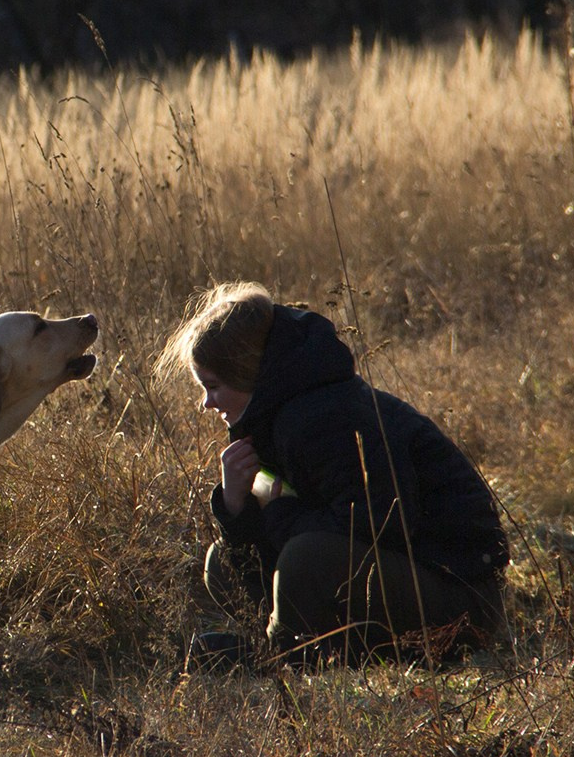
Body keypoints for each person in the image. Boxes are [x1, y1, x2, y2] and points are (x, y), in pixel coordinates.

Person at [159, 282, 509, 667]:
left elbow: (379, 527)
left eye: (213, 386)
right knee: (223, 561)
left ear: (246, 374)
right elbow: (280, 542)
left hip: (460, 606)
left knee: (304, 556)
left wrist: (278, 513)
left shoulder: (326, 416)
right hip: (397, 588)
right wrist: (235, 507)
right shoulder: (276, 419)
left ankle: (280, 659)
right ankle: (303, 650)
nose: (206, 403)